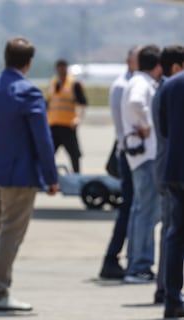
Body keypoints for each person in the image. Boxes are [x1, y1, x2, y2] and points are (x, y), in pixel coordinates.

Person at [0, 37, 59, 312]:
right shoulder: (28, 92)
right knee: (9, 232)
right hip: (18, 175)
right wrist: (51, 175)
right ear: (28, 62)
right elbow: (42, 139)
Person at [121, 44, 162, 285]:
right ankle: (140, 266)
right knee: (147, 213)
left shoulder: (137, 80)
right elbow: (137, 102)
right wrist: (149, 122)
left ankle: (137, 263)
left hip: (140, 157)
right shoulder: (141, 83)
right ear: (157, 66)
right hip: (146, 157)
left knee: (140, 212)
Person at [99, 46, 140, 280]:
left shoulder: (126, 83)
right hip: (130, 153)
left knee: (132, 208)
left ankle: (119, 258)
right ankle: (114, 258)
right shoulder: (126, 85)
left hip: (126, 151)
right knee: (131, 208)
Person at [151, 46, 184, 303]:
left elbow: (162, 129)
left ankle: (171, 296)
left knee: (174, 233)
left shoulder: (169, 86)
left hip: (173, 169)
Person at [46, 59, 87, 174]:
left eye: (63, 68)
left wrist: (78, 118)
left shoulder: (74, 84)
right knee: (48, 153)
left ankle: (77, 176)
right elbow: (48, 103)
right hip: (53, 124)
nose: (61, 71)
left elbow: (83, 103)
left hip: (68, 125)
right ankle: (47, 177)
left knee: (74, 154)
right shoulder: (52, 83)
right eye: (59, 68)